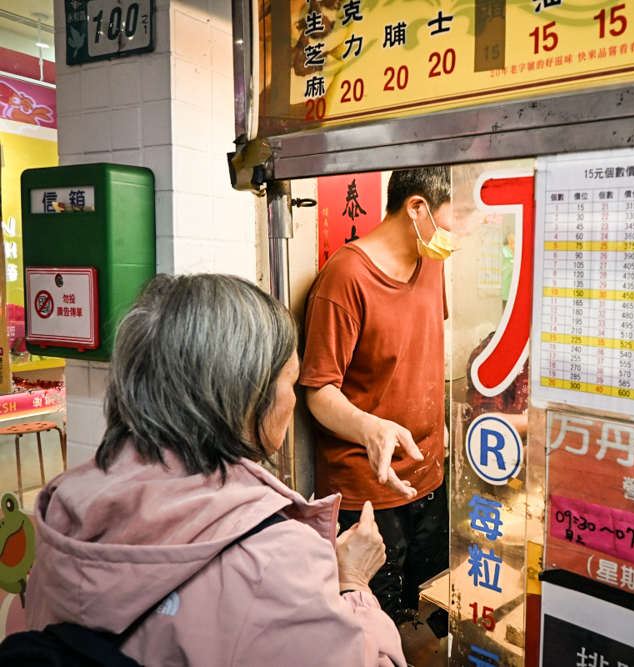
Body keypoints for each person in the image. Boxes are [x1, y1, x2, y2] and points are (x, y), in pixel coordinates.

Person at [24, 274, 405, 667]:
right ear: (246, 397)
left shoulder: (64, 508)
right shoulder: (274, 558)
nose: (293, 400)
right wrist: (353, 583)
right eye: (290, 381)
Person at [300, 167, 452, 624]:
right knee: (374, 623)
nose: (456, 229)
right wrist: (371, 426)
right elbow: (318, 390)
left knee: (430, 614)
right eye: (452, 215)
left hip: (432, 475)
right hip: (369, 490)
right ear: (417, 208)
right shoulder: (344, 278)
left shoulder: (433, 261)